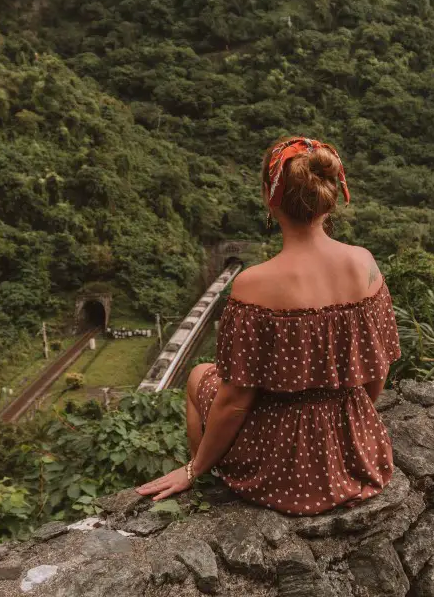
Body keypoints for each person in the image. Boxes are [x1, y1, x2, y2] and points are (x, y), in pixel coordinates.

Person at [136, 136, 401, 514]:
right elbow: (378, 367)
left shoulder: (253, 286)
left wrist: (192, 467)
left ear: (269, 196)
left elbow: (235, 401)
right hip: (355, 452)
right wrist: (350, 424)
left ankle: (204, 475)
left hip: (282, 465)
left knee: (198, 376)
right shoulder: (365, 264)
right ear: (329, 194)